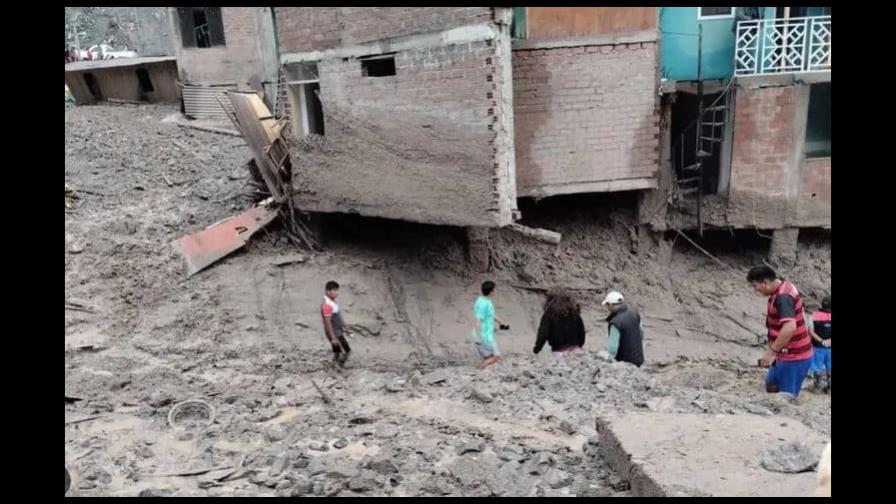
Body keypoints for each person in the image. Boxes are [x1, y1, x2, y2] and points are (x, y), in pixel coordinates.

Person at [747, 265, 813, 397]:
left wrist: (771, 352)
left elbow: (789, 328)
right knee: (771, 384)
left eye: (755, 286)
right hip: (783, 353)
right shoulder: (784, 286)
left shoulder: (783, 297)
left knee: (785, 397)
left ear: (765, 282)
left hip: (794, 356)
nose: (756, 290)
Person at [533, 288, 586, 361]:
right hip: (576, 349)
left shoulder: (549, 315)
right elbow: (581, 332)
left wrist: (537, 348)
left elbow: (543, 333)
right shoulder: (575, 314)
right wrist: (579, 345)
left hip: (559, 351)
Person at [472, 280, 509, 369]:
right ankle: (478, 370)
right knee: (496, 356)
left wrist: (502, 323)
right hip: (484, 335)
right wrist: (478, 336)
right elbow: (478, 319)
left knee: (488, 357)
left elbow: (491, 315)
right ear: (491, 291)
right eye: (494, 290)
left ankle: (479, 373)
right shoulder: (484, 303)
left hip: (485, 333)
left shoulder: (482, 300)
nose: (495, 291)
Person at [602, 291, 644, 367]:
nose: (607, 308)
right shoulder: (634, 313)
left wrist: (608, 359)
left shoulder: (615, 323)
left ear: (611, 305)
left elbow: (612, 349)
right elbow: (641, 333)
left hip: (625, 363)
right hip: (638, 359)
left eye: (607, 305)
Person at [321, 280, 351, 366]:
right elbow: (328, 322)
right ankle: (337, 368)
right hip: (333, 332)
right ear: (328, 291)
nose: (337, 293)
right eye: (334, 290)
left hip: (338, 330)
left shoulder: (334, 302)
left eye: (337, 290)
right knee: (346, 351)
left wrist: (345, 326)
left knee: (338, 352)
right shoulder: (326, 305)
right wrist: (333, 337)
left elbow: (338, 315)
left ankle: (336, 366)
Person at [808, 295, 831, 393]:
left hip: (817, 347)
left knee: (817, 366)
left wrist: (821, 341)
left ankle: (817, 387)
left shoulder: (813, 315)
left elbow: (811, 332)